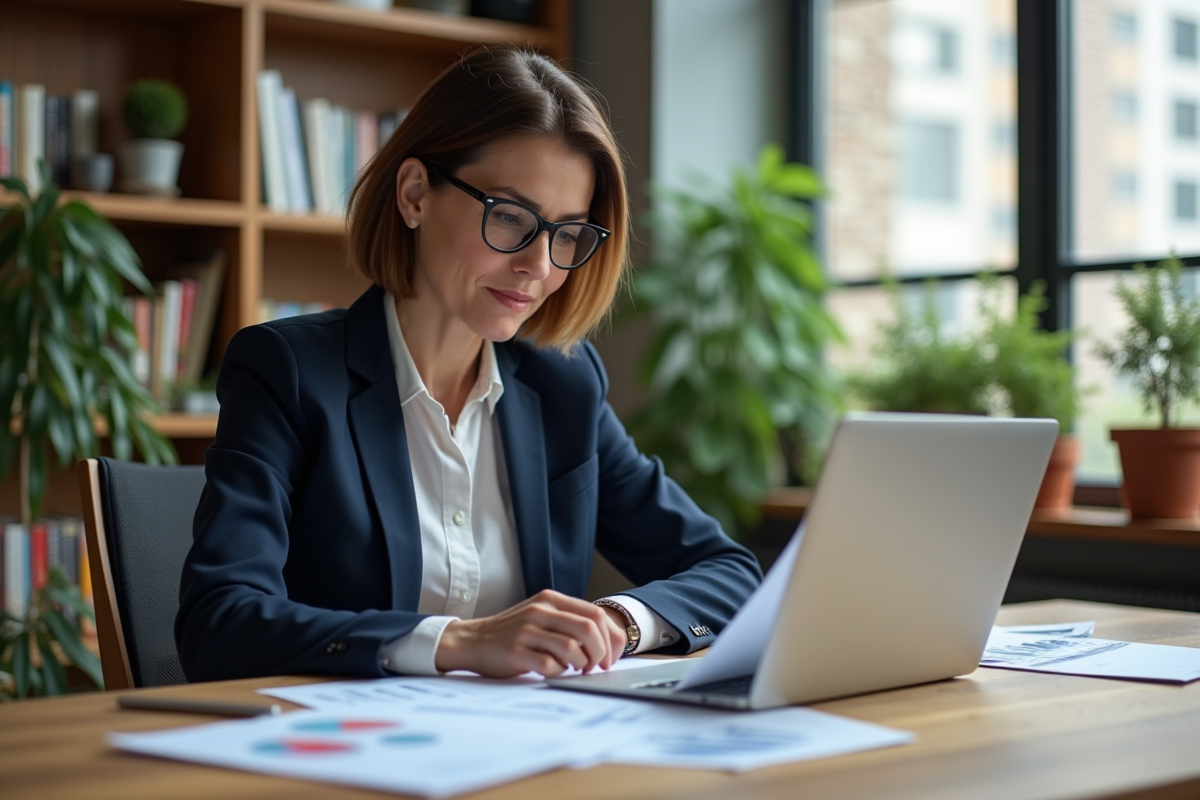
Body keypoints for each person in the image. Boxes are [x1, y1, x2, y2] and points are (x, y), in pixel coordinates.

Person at [175, 47, 762, 682]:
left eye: (567, 234)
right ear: (415, 194)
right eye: (510, 217)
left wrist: (616, 622)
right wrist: (454, 642)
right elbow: (220, 623)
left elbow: (729, 572)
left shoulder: (562, 385)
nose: (538, 266)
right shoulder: (289, 373)